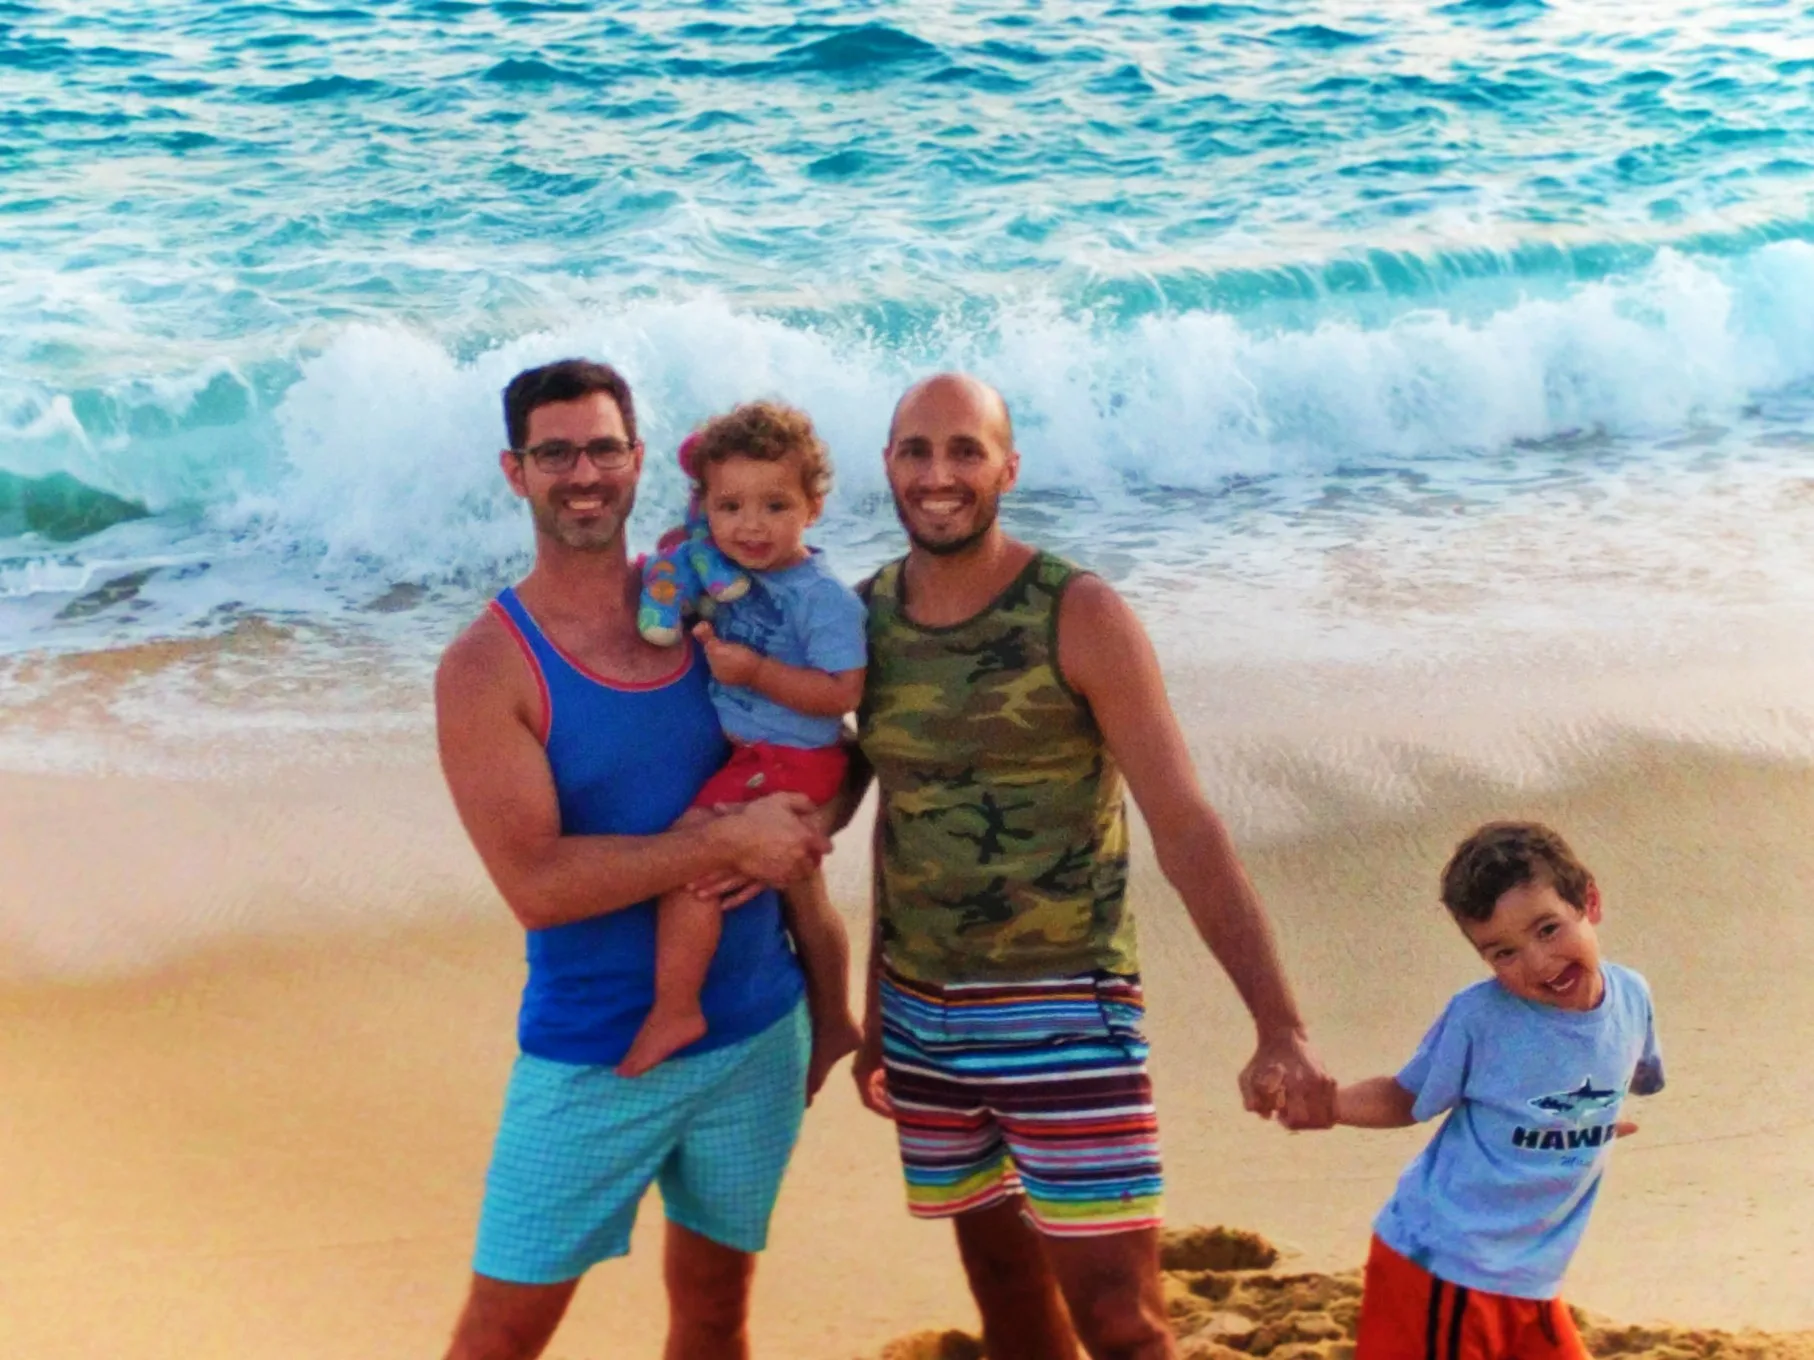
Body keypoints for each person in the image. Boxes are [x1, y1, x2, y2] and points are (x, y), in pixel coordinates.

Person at [852, 372, 1338, 1360]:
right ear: (887, 466)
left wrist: (1277, 1022)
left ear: (1007, 467)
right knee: (1012, 1320)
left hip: (1066, 1009)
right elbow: (894, 821)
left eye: (964, 450)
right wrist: (868, 1018)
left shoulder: (1075, 611)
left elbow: (1184, 822)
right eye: (915, 450)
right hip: (924, 1019)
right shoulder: (863, 620)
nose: (937, 474)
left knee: (1121, 1325)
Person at [433, 358, 839, 1360]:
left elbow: (787, 779)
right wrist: (719, 843)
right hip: (596, 1055)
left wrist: (830, 1008)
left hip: (755, 1033)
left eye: (603, 447)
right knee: (498, 1338)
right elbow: (535, 884)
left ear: (637, 460)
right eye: (554, 451)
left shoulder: (716, 611)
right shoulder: (488, 666)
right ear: (514, 471)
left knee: (712, 1316)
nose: (582, 472)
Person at [1332, 821, 1665, 1360]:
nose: (1537, 962)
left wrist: (1590, 1121)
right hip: (1444, 1264)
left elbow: (1627, 1076)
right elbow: (1404, 1097)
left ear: (1590, 901)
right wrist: (1327, 1103)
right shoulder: (1478, 1018)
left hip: (1531, 1274)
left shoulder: (1633, 998)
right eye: (1502, 953)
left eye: (1548, 930)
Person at [619, 401, 865, 1090]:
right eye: (730, 507)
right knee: (804, 897)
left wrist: (755, 673)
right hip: (760, 753)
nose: (750, 525)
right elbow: (684, 554)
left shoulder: (823, 598)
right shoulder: (727, 567)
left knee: (697, 850)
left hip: (790, 760)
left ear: (812, 508)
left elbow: (844, 691)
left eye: (774, 505)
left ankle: (676, 1009)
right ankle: (837, 1019)